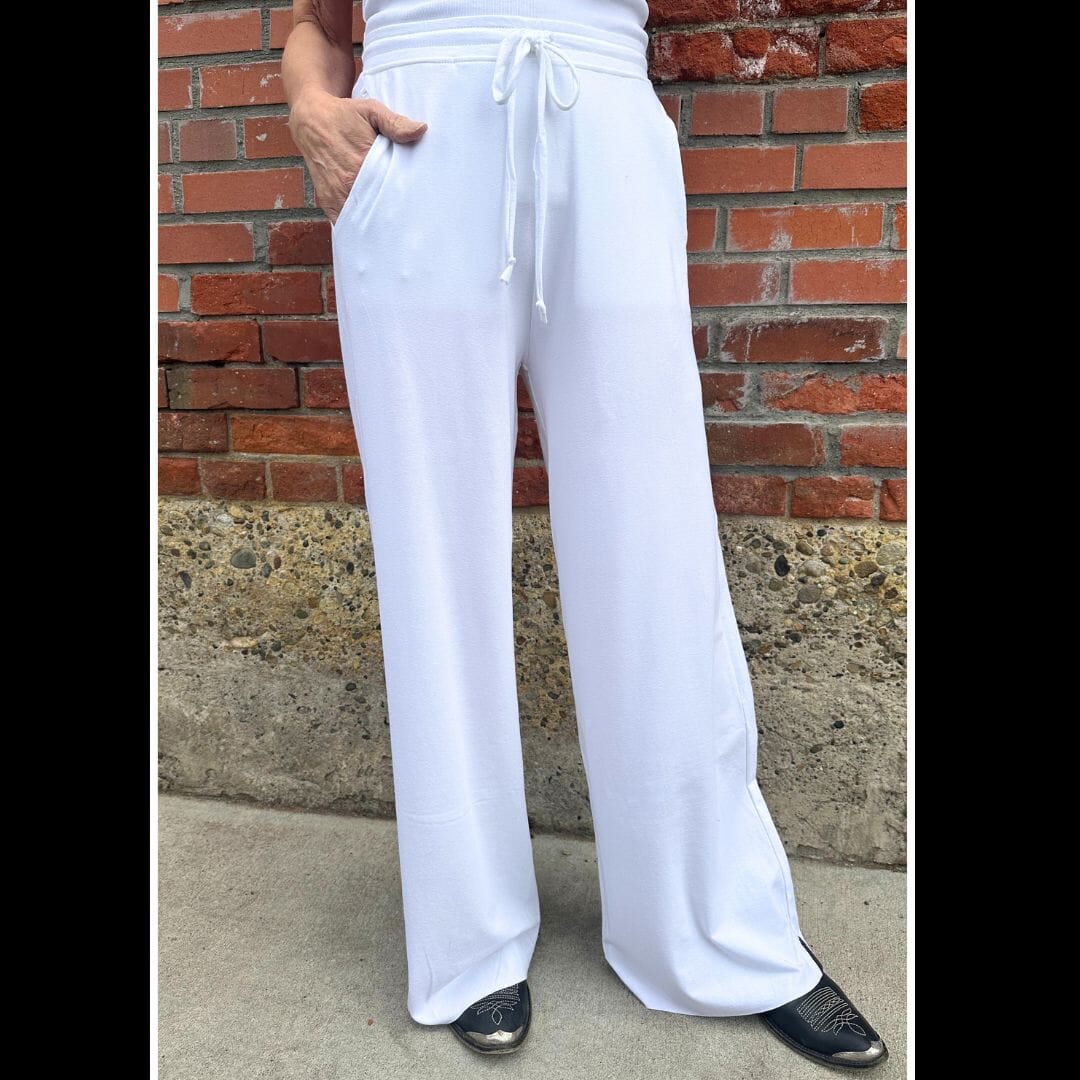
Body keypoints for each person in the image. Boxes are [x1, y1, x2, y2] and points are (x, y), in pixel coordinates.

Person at [281, 0, 889, 1068]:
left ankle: (719, 929)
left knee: (658, 544)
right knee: (433, 554)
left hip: (600, 114)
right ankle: (469, 940)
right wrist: (308, 111)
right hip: (414, 140)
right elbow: (314, 22)